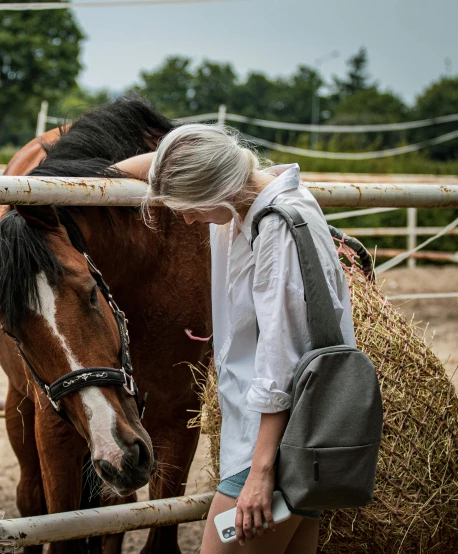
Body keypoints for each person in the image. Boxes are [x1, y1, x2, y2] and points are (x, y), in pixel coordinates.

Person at [114, 124, 357, 554]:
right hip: (300, 445)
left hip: (271, 450)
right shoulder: (251, 207)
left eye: (189, 208)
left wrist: (260, 473)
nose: (187, 219)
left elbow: (281, 363)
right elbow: (168, 161)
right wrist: (97, 172)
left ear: (217, 187)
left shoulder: (278, 231)